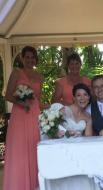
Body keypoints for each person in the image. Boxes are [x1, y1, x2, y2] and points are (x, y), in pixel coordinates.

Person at [46, 83, 100, 190]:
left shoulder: (88, 116)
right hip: (62, 152)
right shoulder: (64, 110)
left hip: (78, 153)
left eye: (85, 95)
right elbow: (50, 129)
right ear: (73, 98)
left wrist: (80, 136)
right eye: (78, 95)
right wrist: (63, 133)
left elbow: (88, 138)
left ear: (89, 98)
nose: (82, 98)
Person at [3, 46, 43, 190]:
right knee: (20, 150)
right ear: (22, 58)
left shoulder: (39, 76)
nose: (30, 60)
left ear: (35, 59)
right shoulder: (16, 72)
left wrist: (52, 110)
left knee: (34, 148)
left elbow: (39, 99)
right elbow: (7, 95)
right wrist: (22, 102)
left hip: (35, 116)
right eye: (27, 57)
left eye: (32, 57)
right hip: (20, 116)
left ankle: (34, 185)